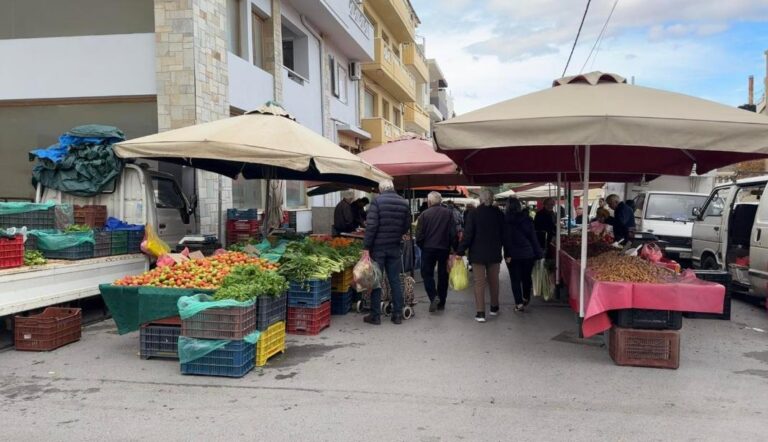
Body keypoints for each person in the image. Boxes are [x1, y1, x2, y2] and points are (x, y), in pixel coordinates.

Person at [363, 179, 411, 325]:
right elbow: (406, 225)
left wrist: (366, 246)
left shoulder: (377, 202)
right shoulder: (404, 203)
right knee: (395, 280)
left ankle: (375, 316)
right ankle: (397, 315)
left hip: (378, 247)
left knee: (376, 280)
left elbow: (371, 226)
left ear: (381, 189)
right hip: (395, 246)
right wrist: (397, 234)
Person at [457, 189, 504, 323]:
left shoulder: (474, 213)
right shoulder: (499, 214)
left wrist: (460, 251)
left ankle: (480, 312)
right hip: (494, 252)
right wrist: (508, 252)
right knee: (494, 281)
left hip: (477, 254)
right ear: (492, 198)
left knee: (479, 283)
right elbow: (505, 234)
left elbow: (468, 235)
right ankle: (494, 308)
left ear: (480, 199)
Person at [416, 191, 457, 313]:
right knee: (443, 275)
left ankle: (433, 297)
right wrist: (453, 248)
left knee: (427, 274)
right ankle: (441, 303)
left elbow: (419, 235)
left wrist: (422, 246)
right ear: (440, 201)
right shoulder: (449, 213)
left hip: (428, 249)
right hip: (444, 248)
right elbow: (453, 233)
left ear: (429, 202)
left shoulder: (424, 215)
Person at [503, 197, 543, 312]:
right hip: (528, 254)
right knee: (526, 277)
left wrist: (507, 254)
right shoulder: (527, 219)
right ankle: (526, 297)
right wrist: (539, 253)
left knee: (515, 279)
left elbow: (506, 240)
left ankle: (519, 304)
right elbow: (533, 238)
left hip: (512, 255)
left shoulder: (505, 220)